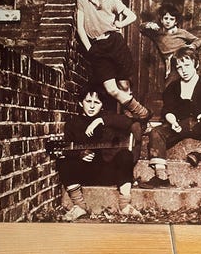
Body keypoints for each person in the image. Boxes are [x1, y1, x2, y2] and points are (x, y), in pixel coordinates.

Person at [139, 48, 201, 189]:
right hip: (180, 126)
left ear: (196, 64)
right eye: (179, 67)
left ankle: (200, 151)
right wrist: (173, 121)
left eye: (187, 65)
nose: (184, 70)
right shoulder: (173, 87)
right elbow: (168, 110)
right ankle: (161, 175)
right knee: (156, 132)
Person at [72, 0, 151, 121]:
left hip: (115, 43)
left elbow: (132, 16)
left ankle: (131, 120)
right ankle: (143, 113)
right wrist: (90, 49)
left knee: (124, 85)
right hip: (97, 47)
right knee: (111, 89)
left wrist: (120, 24)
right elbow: (80, 28)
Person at [55, 84, 142, 221]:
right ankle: (79, 206)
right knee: (63, 160)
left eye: (96, 103)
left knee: (125, 155)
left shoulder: (107, 118)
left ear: (102, 106)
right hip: (85, 173)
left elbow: (128, 122)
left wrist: (100, 120)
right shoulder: (72, 123)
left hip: (108, 172)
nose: (91, 106)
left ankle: (125, 205)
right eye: (88, 101)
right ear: (81, 103)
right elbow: (67, 149)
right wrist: (80, 154)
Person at [139, 4, 201, 84]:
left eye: (171, 19)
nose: (168, 21)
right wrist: (149, 25)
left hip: (183, 59)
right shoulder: (157, 33)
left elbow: (198, 40)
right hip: (171, 62)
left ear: (176, 22)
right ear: (161, 20)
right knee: (171, 83)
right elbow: (141, 28)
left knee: (190, 79)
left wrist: (192, 46)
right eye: (166, 18)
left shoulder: (181, 32)